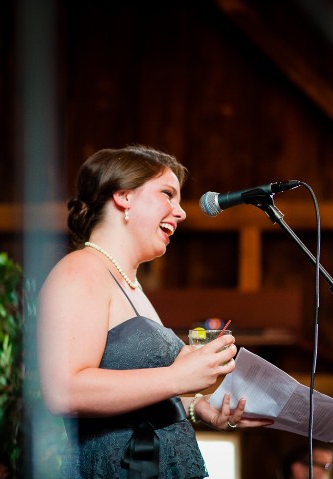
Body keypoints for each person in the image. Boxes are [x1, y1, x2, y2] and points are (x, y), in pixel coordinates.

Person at [36, 145, 273, 478]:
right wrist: (178, 377)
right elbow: (63, 391)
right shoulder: (81, 271)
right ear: (124, 197)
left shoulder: (128, 283)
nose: (181, 212)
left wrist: (198, 407)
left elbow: (141, 396)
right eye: (167, 194)